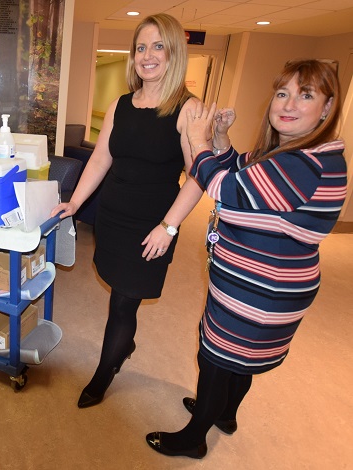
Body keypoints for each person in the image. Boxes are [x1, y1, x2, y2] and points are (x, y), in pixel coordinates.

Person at [146, 59, 347, 459]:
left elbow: (221, 186)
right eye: (282, 93)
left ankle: (194, 438)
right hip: (267, 284)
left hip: (260, 290)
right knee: (240, 359)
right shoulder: (295, 152)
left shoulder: (304, 163)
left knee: (217, 357)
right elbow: (239, 169)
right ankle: (224, 414)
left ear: (326, 108)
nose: (288, 104)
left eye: (305, 95)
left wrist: (200, 139)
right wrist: (220, 138)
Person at [51, 13, 205, 408]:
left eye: (158, 47)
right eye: (141, 47)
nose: (147, 55)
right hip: (114, 217)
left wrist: (168, 228)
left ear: (174, 53)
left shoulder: (188, 109)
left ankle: (105, 372)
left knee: (122, 302)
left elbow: (199, 177)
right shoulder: (122, 104)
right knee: (117, 292)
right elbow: (100, 160)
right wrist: (76, 202)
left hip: (153, 225)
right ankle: (124, 344)